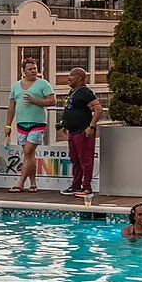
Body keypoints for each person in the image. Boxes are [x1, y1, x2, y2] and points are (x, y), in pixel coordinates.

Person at [5, 59, 56, 193]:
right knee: (30, 154)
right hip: (21, 123)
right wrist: (8, 125)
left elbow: (52, 101)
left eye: (35, 68)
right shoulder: (16, 86)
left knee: (27, 151)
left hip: (38, 123)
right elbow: (11, 107)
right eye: (30, 69)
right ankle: (33, 183)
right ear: (23, 71)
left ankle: (20, 183)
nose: (33, 71)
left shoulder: (43, 84)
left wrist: (35, 101)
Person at [58, 66, 101, 197]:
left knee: (85, 160)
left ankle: (86, 188)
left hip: (83, 131)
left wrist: (91, 126)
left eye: (71, 75)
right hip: (73, 131)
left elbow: (98, 109)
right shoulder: (73, 92)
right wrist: (66, 124)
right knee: (74, 159)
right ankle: (75, 185)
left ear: (80, 78)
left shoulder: (85, 92)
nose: (68, 78)